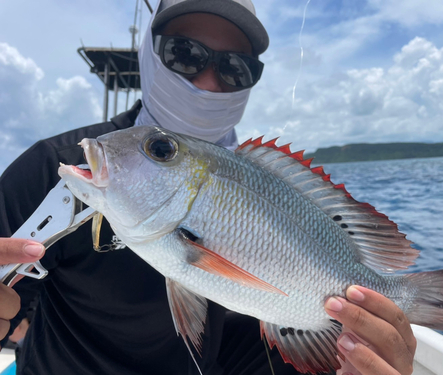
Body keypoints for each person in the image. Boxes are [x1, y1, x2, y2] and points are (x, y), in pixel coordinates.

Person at [0, 0, 416, 374]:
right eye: (185, 54)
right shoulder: (53, 168)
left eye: (236, 68)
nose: (208, 82)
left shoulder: (267, 189)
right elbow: (15, 308)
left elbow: (270, 345)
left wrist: (352, 364)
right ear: (150, 50)